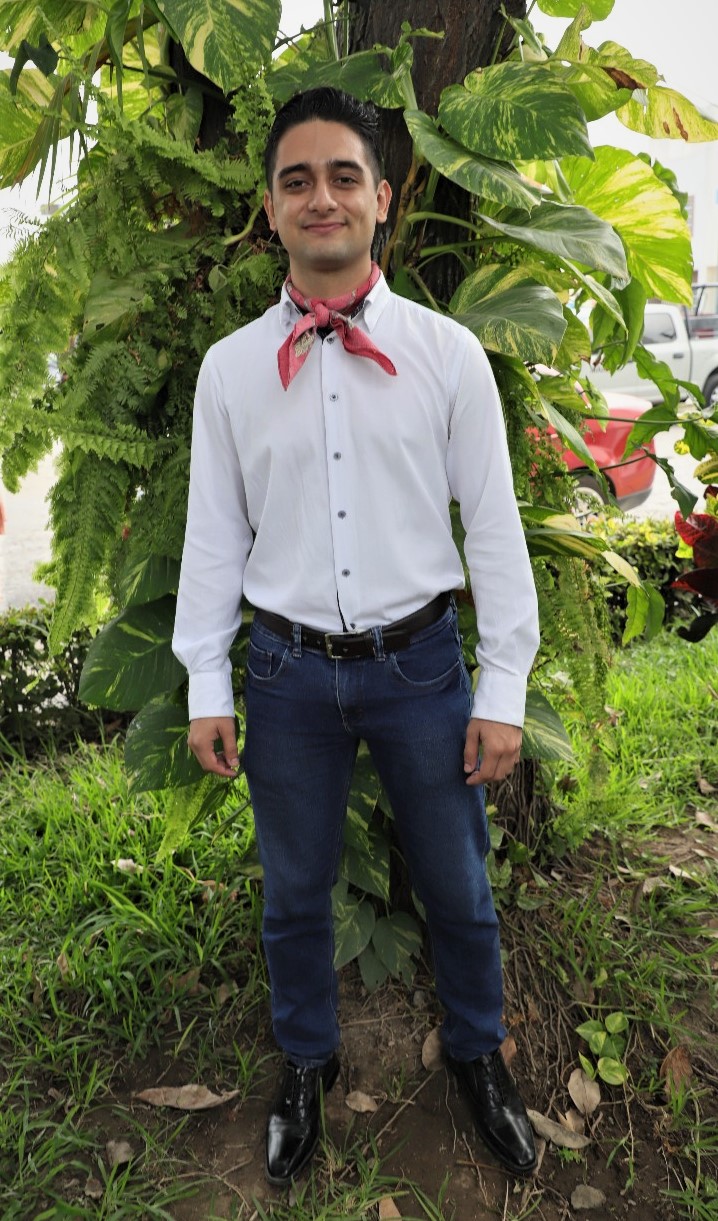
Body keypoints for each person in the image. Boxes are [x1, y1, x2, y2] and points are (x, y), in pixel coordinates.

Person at [172, 86, 540, 1187]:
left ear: (383, 197)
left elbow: (494, 528)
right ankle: (305, 1060)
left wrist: (504, 688)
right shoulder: (232, 370)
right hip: (285, 673)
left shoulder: (448, 355)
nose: (320, 197)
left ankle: (477, 1052)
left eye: (343, 176)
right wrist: (206, 680)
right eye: (297, 180)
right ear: (271, 209)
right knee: (293, 891)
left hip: (420, 667)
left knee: (458, 883)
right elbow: (213, 535)